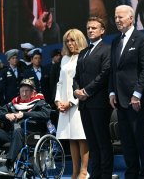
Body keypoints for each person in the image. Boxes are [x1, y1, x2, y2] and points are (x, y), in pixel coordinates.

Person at [109, 5, 144, 179]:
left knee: (140, 140)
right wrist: (111, 92)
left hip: (136, 100)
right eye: (115, 17)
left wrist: (137, 94)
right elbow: (114, 70)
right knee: (127, 142)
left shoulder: (142, 39)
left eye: (120, 17)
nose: (117, 20)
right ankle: (131, 174)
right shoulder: (115, 41)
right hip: (120, 100)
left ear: (131, 18)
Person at [0, 78, 51, 176]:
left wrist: (24, 114)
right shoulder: (14, 103)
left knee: (18, 131)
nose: (24, 93)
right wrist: (6, 115)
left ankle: (8, 165)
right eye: (22, 91)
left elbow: (46, 114)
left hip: (31, 134)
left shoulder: (40, 102)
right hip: (12, 134)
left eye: (27, 91)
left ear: (33, 92)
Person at [73, 17, 113, 179]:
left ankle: (105, 175)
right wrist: (76, 91)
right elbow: (76, 76)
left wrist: (87, 91)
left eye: (94, 28)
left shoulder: (107, 49)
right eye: (88, 28)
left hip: (99, 102)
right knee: (92, 142)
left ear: (102, 30)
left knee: (102, 141)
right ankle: (95, 174)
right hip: (84, 104)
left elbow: (105, 73)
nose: (90, 30)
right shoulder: (83, 52)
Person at [55, 29, 89, 179]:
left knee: (81, 137)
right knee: (71, 138)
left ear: (79, 40)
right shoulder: (64, 59)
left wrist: (71, 102)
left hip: (78, 104)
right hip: (64, 105)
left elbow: (84, 83)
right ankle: (75, 172)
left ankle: (84, 171)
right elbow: (60, 83)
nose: (70, 43)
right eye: (67, 41)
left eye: (72, 40)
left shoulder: (84, 56)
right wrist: (58, 101)